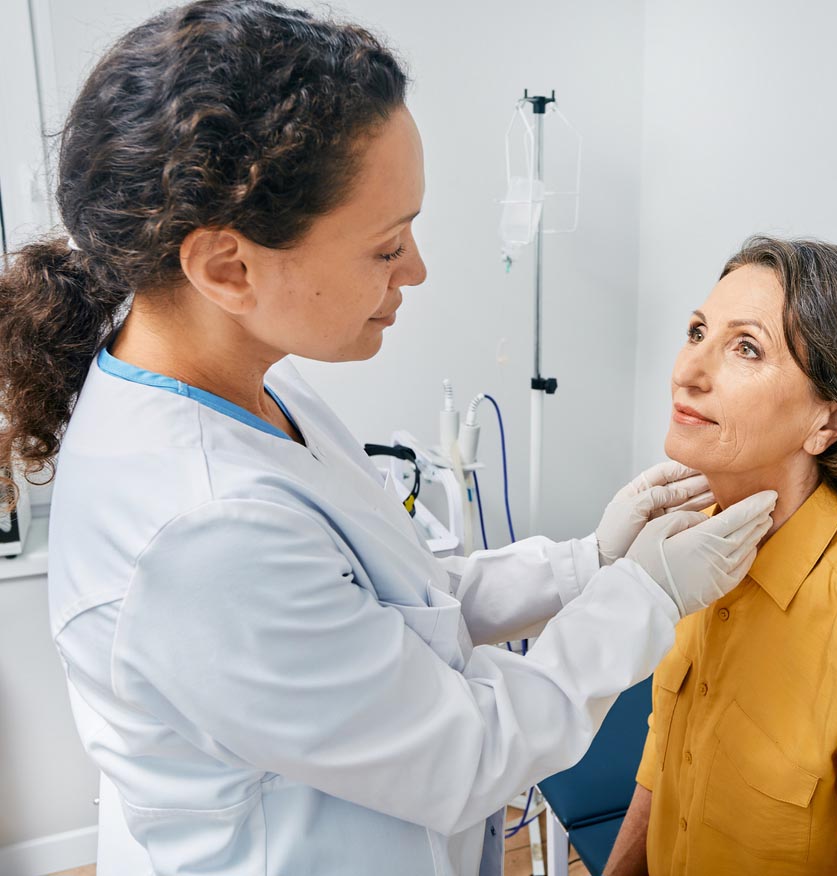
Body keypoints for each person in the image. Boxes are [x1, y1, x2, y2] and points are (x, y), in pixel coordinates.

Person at [0, 3, 778, 874]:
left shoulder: (251, 386)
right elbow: (465, 755)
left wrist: (586, 564)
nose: (416, 269)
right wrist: (644, 596)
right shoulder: (198, 530)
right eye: (385, 245)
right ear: (227, 268)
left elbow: (397, 603)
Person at [605, 237, 837, 876]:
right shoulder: (700, 539)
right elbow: (666, 752)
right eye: (697, 331)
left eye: (745, 347)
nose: (688, 371)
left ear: (829, 422)